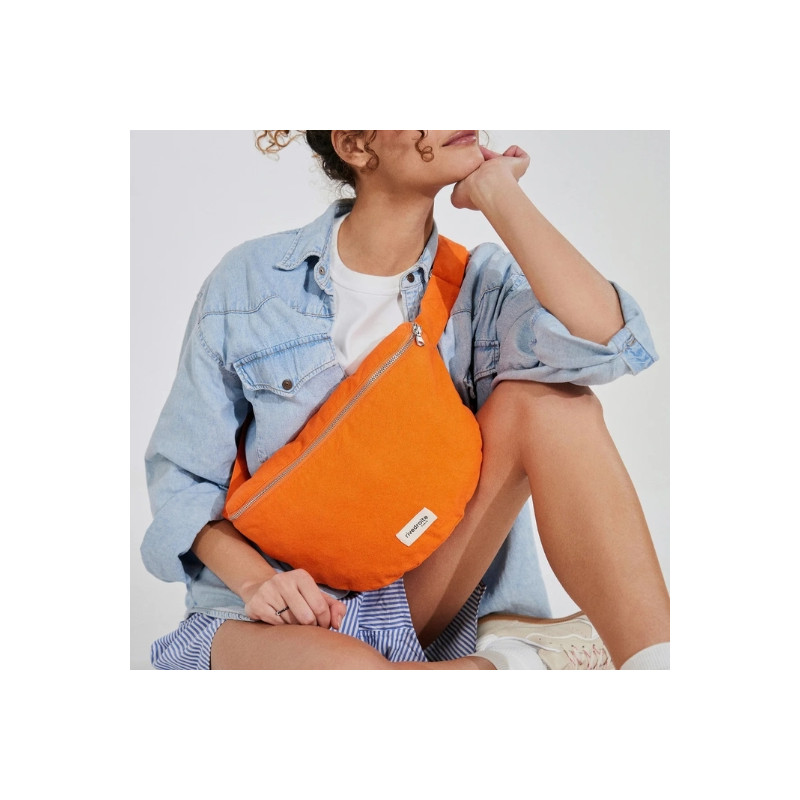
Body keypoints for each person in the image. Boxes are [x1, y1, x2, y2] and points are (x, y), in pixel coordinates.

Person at [142, 130, 670, 670]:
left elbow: (613, 343)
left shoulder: (478, 286)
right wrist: (257, 581)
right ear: (355, 146)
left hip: (421, 595)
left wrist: (500, 194)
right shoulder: (250, 283)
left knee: (554, 406)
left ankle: (657, 669)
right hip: (274, 612)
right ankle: (519, 667)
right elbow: (182, 480)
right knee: (355, 676)